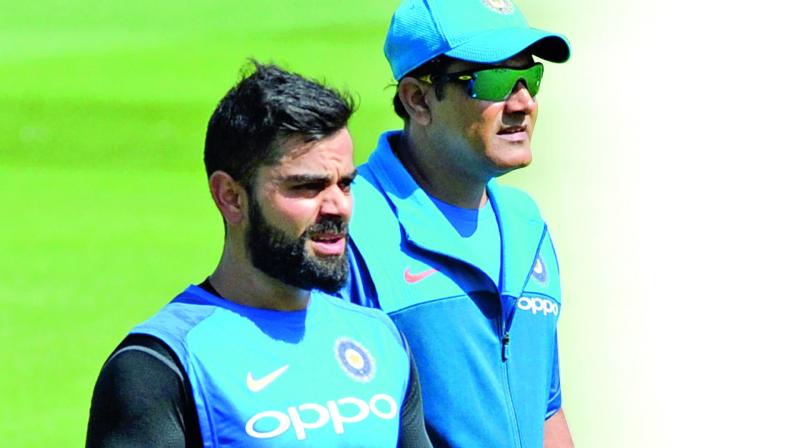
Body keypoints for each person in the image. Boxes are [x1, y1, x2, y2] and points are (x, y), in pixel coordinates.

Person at [86, 62, 431, 448]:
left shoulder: (379, 338)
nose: (338, 206)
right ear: (231, 197)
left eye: (345, 184)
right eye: (307, 186)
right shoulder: (160, 366)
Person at [340, 0, 574, 446]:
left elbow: (545, 409)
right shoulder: (348, 230)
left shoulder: (527, 225)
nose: (524, 102)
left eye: (531, 77)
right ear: (418, 98)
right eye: (496, 80)